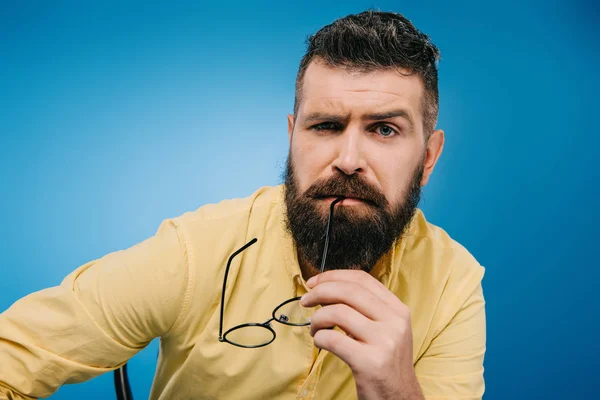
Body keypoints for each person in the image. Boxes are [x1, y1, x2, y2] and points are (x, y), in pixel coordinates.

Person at [0, 10, 486, 400]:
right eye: (325, 126)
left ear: (428, 158)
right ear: (292, 136)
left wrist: (393, 389)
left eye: (384, 129)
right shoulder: (196, 252)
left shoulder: (452, 285)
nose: (348, 160)